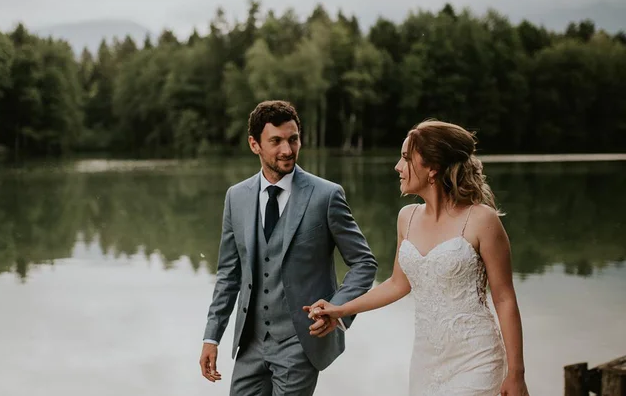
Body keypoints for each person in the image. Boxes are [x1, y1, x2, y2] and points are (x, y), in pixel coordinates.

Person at [305, 120, 530, 396]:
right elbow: (398, 284)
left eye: (405, 158)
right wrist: (339, 309)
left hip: (477, 359)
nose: (398, 167)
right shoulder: (406, 218)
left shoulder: (482, 220)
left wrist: (516, 374)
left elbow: (505, 299)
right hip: (426, 362)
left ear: (432, 168)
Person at [199, 100, 378, 396]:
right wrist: (212, 336)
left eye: (293, 139)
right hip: (251, 344)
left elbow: (364, 263)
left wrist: (339, 311)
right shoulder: (236, 197)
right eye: (276, 141)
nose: (287, 149)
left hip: (300, 343)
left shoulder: (326, 195)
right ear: (254, 144)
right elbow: (229, 275)